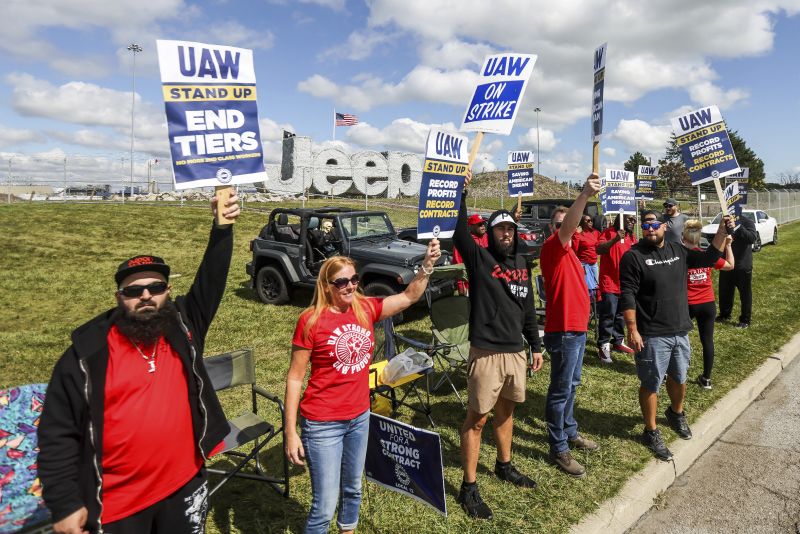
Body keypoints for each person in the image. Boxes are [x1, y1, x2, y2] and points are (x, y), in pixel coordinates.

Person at [39, 195, 242, 534]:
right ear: (119, 297)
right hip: (118, 506)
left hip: (185, 486)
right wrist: (64, 503)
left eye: (156, 287)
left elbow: (212, 278)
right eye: (134, 290)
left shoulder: (183, 325)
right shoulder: (86, 353)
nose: (146, 295)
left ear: (167, 291)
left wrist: (222, 228)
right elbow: (56, 431)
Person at [284, 239, 440, 534]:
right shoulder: (310, 321)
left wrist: (427, 266)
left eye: (354, 279)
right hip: (322, 422)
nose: (350, 286)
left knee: (353, 488)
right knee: (324, 505)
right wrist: (291, 432)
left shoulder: (365, 308)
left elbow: (409, 296)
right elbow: (294, 378)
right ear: (327, 285)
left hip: (359, 416)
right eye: (341, 281)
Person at [453, 170, 543, 520]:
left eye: (509, 229)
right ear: (490, 234)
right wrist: (462, 194)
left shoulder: (522, 264)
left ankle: (504, 465)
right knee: (476, 420)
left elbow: (528, 309)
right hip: (487, 351)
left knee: (507, 413)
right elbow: (460, 234)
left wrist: (535, 346)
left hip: (515, 352)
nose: (505, 234)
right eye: (499, 229)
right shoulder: (479, 260)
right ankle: (469, 487)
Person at [620, 210, 733, 461]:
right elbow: (627, 294)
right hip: (651, 333)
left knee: (679, 376)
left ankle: (676, 413)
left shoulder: (678, 251)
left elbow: (709, 258)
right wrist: (632, 329)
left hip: (679, 329)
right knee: (651, 383)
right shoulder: (633, 257)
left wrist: (723, 233)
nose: (650, 228)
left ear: (664, 227)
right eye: (646, 224)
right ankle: (650, 431)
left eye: (655, 224)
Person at [540, 174, 602, 478]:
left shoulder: (573, 254)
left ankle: (570, 431)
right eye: (563, 224)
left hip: (577, 329)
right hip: (563, 331)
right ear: (554, 228)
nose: (570, 227)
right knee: (561, 389)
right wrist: (584, 195)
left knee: (572, 385)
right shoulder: (553, 247)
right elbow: (568, 226)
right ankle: (559, 447)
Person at [683, 220, 734, 389]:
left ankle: (675, 372)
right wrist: (727, 246)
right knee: (707, 341)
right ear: (699, 237)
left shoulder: (681, 257)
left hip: (688, 304)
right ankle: (706, 379)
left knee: (679, 339)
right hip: (707, 304)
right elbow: (730, 265)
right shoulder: (707, 256)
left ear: (684, 236)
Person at [595, 214, 637, 363]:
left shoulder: (632, 237)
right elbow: (599, 249)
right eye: (630, 219)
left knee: (621, 314)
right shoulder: (608, 233)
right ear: (621, 219)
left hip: (625, 284)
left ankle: (618, 341)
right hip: (609, 282)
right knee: (608, 315)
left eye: (634, 220)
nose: (633, 222)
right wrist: (615, 239)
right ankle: (603, 345)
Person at [717, 212, 758, 328]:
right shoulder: (723, 223)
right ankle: (725, 314)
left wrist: (738, 226)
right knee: (725, 291)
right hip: (726, 263)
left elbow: (751, 238)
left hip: (742, 265)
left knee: (745, 293)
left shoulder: (747, 221)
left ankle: (745, 319)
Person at [572, 213, 601, 315]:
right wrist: (576, 235)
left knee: (596, 287)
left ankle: (596, 310)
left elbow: (600, 245)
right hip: (583, 265)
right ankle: (586, 309)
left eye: (591, 220)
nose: (590, 222)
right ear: (582, 222)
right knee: (587, 288)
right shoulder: (578, 234)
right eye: (587, 220)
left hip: (593, 264)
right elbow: (574, 249)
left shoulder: (595, 233)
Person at [453, 213, 488, 295]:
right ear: (471, 226)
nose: (483, 226)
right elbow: (458, 266)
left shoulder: (487, 237)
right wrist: (461, 286)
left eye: (483, 223)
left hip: (487, 283)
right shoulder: (464, 241)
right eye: (479, 224)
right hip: (470, 286)